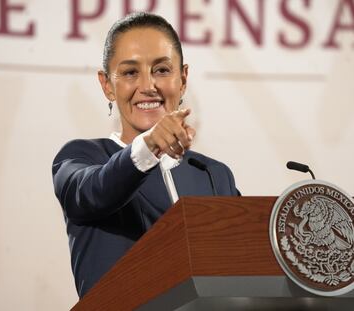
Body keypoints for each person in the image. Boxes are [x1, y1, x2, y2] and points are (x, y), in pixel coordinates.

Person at [52, 12, 239, 298]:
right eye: (129, 72)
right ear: (106, 85)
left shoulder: (214, 175)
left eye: (162, 70)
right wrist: (149, 145)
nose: (148, 85)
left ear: (183, 78)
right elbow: (92, 191)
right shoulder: (82, 157)